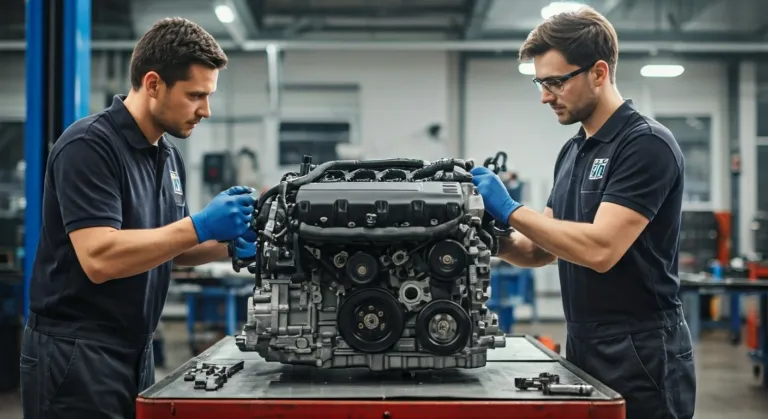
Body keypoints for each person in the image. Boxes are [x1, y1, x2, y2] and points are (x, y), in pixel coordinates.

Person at [19, 17, 257, 419]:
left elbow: (170, 246)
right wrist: (199, 224)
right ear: (153, 84)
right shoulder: (89, 146)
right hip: (77, 354)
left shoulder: (166, 155)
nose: (207, 110)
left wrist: (229, 241)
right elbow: (101, 258)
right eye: (196, 95)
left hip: (136, 348)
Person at [470, 6, 696, 419]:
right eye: (540, 82)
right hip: (584, 341)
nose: (544, 95)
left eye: (556, 81)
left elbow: (601, 250)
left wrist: (511, 208)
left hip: (641, 348)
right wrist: (487, 238)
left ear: (598, 72)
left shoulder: (645, 145)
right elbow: (540, 250)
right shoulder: (573, 151)